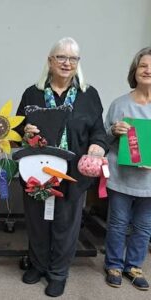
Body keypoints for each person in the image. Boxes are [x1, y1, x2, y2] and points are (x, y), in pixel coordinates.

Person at [15, 37, 107, 297]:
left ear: (78, 63)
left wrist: (97, 148)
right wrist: (25, 131)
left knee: (66, 225)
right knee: (37, 222)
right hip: (36, 171)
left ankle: (58, 273)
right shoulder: (32, 93)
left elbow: (98, 132)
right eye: (61, 57)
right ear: (50, 61)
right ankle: (38, 265)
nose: (67, 63)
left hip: (72, 173)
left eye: (73, 58)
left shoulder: (89, 95)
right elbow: (19, 128)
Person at [103, 47, 151, 291]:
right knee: (118, 223)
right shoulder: (119, 104)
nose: (148, 70)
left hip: (149, 182)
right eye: (143, 65)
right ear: (135, 71)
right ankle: (113, 264)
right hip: (121, 176)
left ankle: (133, 265)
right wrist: (113, 131)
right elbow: (102, 139)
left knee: (144, 226)